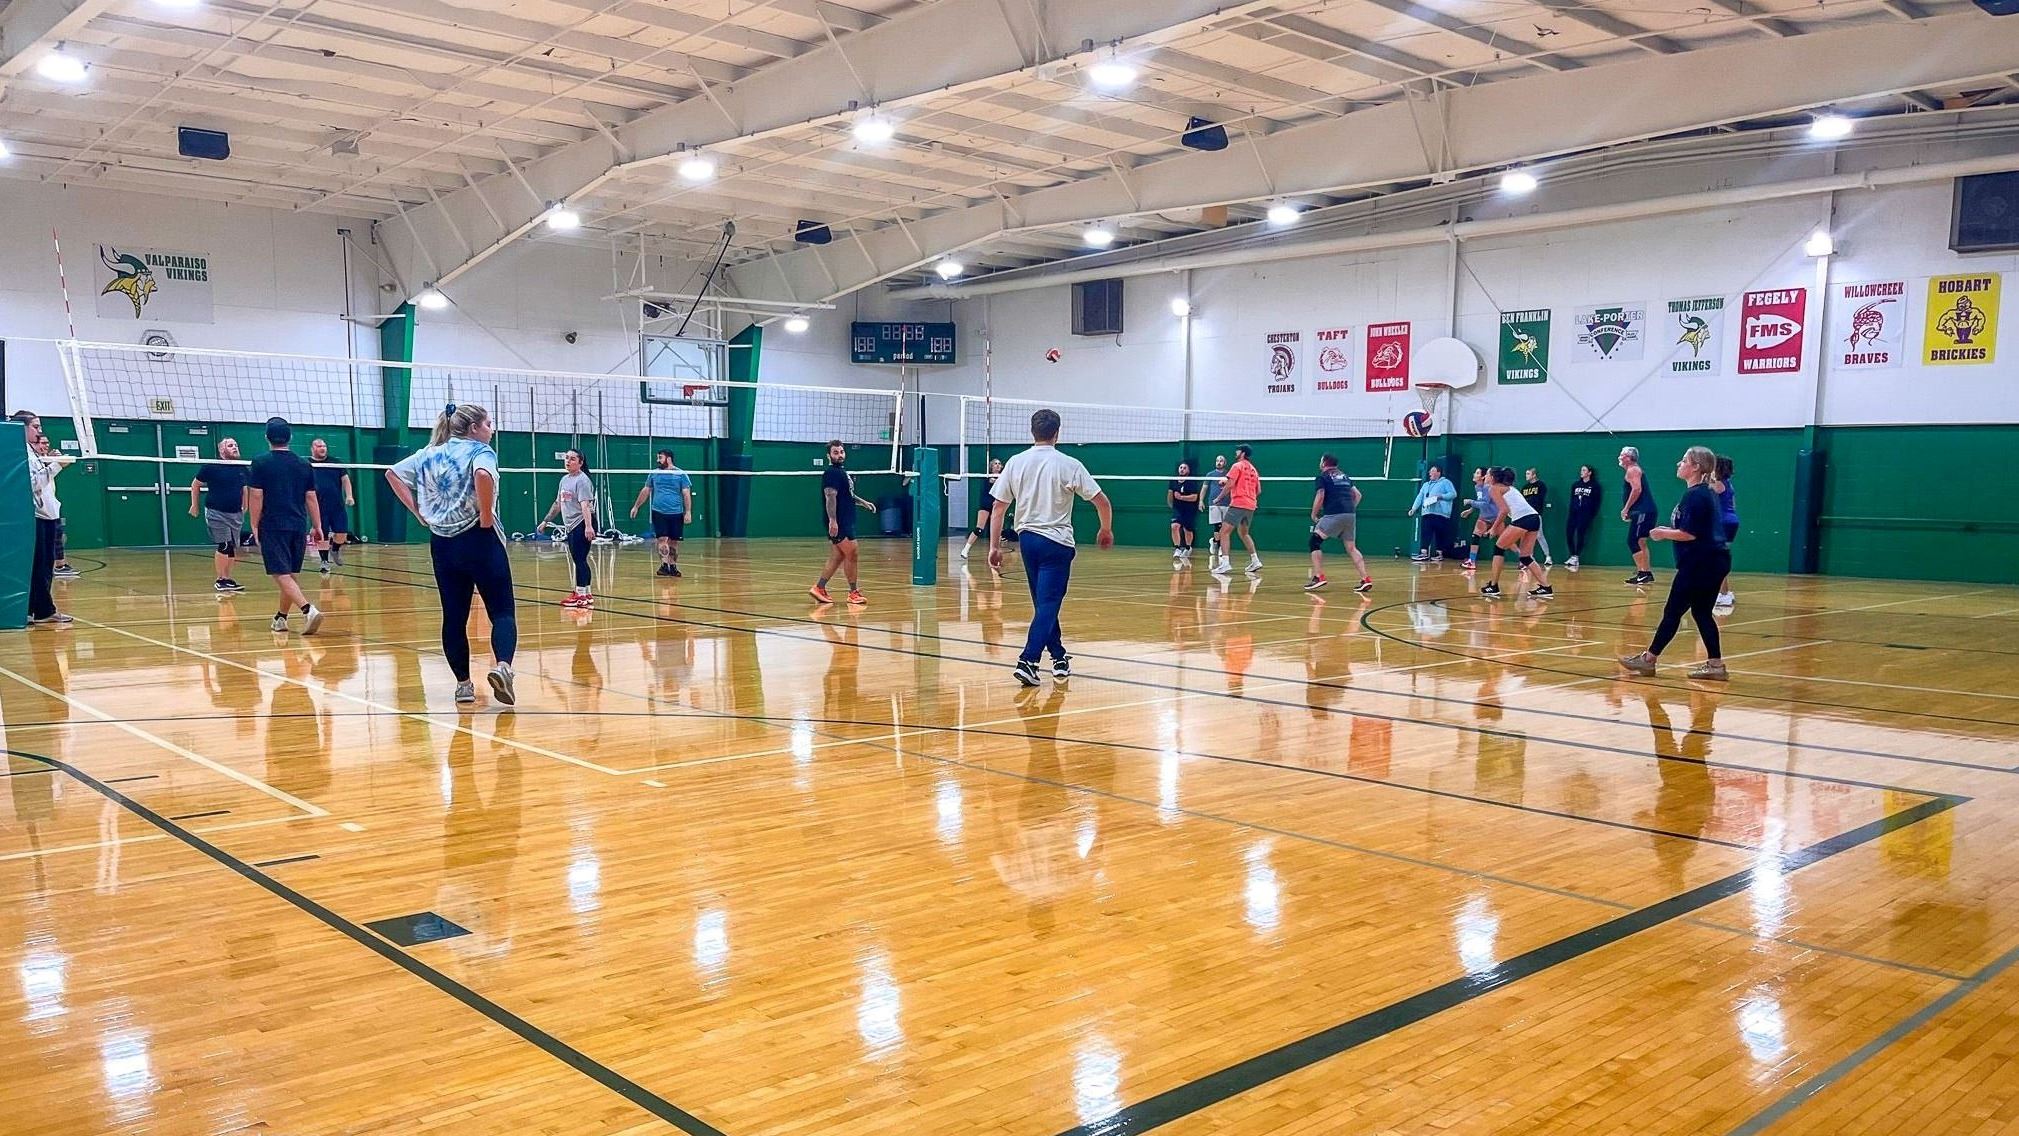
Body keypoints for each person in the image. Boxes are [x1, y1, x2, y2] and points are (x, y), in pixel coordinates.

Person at [386, 403, 517, 706]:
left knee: (454, 617)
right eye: (488, 423)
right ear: (474, 428)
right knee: (502, 612)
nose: (491, 429)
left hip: (443, 544)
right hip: (480, 539)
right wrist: (485, 516)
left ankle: (464, 686)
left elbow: (392, 474)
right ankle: (502, 667)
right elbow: (483, 475)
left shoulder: (430, 452)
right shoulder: (479, 452)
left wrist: (418, 513)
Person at [987, 409, 1114, 686]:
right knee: (1048, 604)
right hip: (1056, 544)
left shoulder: (1016, 462)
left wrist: (994, 546)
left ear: (1032, 431)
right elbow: (1102, 501)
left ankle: (1058, 657)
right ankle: (1028, 660)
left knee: (1044, 604)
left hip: (1028, 542)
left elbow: (998, 507)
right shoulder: (1068, 464)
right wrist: (1105, 529)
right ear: (1057, 432)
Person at [1619, 446, 1730, 680]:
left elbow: (1690, 534)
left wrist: (1663, 533)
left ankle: (1648, 660)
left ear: (1696, 467)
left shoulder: (1696, 494)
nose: (1679, 464)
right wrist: (1671, 530)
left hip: (1700, 562)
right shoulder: (1703, 493)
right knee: (1701, 613)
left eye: (1683, 461)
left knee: (1673, 611)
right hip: (1713, 560)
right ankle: (1716, 665)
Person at [245, 417, 324, 635]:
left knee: (280, 573)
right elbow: (311, 497)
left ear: (266, 437)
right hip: (298, 523)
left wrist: (253, 524)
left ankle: (308, 609)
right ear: (290, 437)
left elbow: (256, 495)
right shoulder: (303, 463)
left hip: (273, 524)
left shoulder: (260, 462)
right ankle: (281, 617)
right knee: (289, 574)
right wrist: (317, 525)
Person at [13, 412, 71, 627]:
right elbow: (33, 484)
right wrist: (57, 466)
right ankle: (42, 611)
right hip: (37, 517)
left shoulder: (33, 452)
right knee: (40, 567)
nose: (40, 432)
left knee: (44, 566)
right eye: (36, 427)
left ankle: (36, 610)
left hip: (48, 515)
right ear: (23, 428)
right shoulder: (23, 454)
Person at [811, 439, 875, 605]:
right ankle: (853, 592)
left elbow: (847, 496)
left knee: (838, 556)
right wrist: (833, 520)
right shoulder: (832, 473)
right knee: (852, 553)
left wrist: (863, 502)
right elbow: (830, 496)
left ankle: (819, 588)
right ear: (829, 455)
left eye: (841, 452)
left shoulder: (842, 472)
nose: (839, 455)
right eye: (835, 452)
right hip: (840, 522)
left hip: (845, 520)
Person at [1482, 467, 1552, 600]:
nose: (1485, 477)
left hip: (1523, 519)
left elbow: (1503, 510)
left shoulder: (1494, 488)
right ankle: (1545, 587)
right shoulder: (1509, 488)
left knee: (1499, 547)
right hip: (1534, 518)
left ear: (1492, 477)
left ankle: (1493, 585)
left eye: (1487, 474)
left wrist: (1493, 528)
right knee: (1525, 556)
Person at [1305, 454, 1371, 593]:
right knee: (1352, 548)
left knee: (1314, 542)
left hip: (1334, 514)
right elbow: (1358, 495)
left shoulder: (1322, 477)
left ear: (1324, 463)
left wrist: (1313, 513)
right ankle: (1365, 579)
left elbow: (1320, 495)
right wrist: (1350, 508)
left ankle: (1318, 576)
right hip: (1350, 514)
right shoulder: (1344, 477)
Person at [190, 437, 249, 593]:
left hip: (235, 513)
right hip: (216, 512)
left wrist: (246, 505)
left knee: (231, 547)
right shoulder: (212, 466)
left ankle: (227, 579)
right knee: (223, 544)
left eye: (236, 445)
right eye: (230, 446)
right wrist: (194, 505)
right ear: (222, 450)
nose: (235, 447)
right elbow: (195, 484)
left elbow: (245, 488)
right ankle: (220, 579)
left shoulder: (241, 467)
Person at [541, 449, 598, 608]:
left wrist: (588, 527)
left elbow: (585, 505)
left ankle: (580, 595)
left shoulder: (583, 480)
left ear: (580, 463)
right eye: (566, 458)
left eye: (572, 459)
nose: (568, 461)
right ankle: (586, 593)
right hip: (572, 524)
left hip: (582, 522)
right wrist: (546, 521)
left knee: (579, 559)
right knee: (580, 559)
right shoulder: (564, 480)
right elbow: (558, 503)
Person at [630, 448, 694, 577]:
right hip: (659, 511)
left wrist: (688, 512)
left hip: (676, 512)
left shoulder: (680, 474)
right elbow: (646, 490)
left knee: (674, 541)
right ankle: (664, 565)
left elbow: (686, 493)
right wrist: (636, 506)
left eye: (660, 457)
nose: (657, 460)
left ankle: (673, 566)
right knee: (662, 538)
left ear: (668, 458)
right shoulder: (654, 473)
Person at [1214, 444, 1263, 576]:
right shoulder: (1253, 469)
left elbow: (1230, 484)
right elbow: (1258, 490)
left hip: (1238, 504)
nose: (1235, 452)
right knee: (1244, 533)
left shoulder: (1237, 466)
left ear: (1242, 453)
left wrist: (1218, 498)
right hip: (1250, 505)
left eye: (1237, 450)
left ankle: (1225, 563)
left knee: (1224, 532)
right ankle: (1255, 560)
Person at [308, 439, 355, 574]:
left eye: (324, 446)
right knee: (321, 535)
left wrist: (349, 496)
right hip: (318, 507)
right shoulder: (308, 464)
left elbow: (345, 480)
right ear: (312, 448)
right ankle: (324, 561)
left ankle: (334, 550)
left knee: (341, 534)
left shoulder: (335, 462)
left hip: (336, 506)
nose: (322, 448)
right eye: (319, 446)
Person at [1619, 445, 1658, 586]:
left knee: (1633, 540)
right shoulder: (1632, 470)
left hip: (1644, 511)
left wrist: (1626, 508)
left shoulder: (1633, 470)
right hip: (1644, 511)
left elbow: (1636, 490)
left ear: (1629, 458)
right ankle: (1645, 573)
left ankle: (1643, 573)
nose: (1620, 457)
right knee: (1641, 541)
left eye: (1623, 454)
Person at [960, 458, 1007, 562]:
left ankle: (995, 554)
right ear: (991, 466)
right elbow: (994, 482)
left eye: (999, 464)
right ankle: (965, 550)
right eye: (995, 464)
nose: (998, 465)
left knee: (997, 531)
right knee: (979, 529)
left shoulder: (1003, 477)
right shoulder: (988, 477)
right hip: (985, 505)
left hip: (996, 506)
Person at [1407, 465, 1457, 562]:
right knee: (1426, 532)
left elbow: (1453, 494)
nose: (1430, 473)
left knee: (1440, 534)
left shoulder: (1445, 482)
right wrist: (1413, 508)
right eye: (1430, 471)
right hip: (1427, 512)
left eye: (1433, 471)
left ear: (1439, 473)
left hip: (1441, 514)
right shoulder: (1426, 485)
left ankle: (1439, 554)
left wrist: (1441, 496)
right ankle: (1423, 553)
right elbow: (1420, 496)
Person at [1457, 467, 1498, 571]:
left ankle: (1524, 559)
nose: (1474, 474)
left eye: (1477, 473)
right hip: (1484, 516)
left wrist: (1470, 502)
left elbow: (1484, 504)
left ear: (1483, 477)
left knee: (1508, 541)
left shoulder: (1487, 488)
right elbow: (1480, 501)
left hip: (1495, 516)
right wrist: (1470, 510)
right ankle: (1472, 561)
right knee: (1476, 535)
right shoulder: (1478, 487)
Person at [1712, 454, 1738, 608]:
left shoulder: (1718, 484)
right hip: (1730, 521)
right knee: (1719, 558)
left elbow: (1703, 488)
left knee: (1716, 560)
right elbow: (1733, 505)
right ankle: (1724, 592)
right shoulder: (1728, 484)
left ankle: (1724, 594)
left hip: (1722, 522)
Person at [1565, 464, 1601, 569]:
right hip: (1574, 513)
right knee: (1569, 533)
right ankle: (1572, 555)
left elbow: (1597, 501)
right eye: (1581, 470)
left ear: (1589, 472)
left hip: (1585, 514)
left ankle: (1576, 556)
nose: (1581, 472)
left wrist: (1591, 514)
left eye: (1584, 470)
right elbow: (1572, 498)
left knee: (1580, 534)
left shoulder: (1595, 485)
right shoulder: (1576, 484)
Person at [1168, 460, 1202, 567]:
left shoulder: (1192, 481)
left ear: (1188, 470)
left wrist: (1181, 497)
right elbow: (1170, 494)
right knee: (1174, 526)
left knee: (1187, 530)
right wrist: (1171, 505)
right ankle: (1177, 548)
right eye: (1181, 468)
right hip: (1177, 509)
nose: (1182, 469)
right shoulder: (1173, 481)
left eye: (1184, 468)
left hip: (1189, 509)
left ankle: (1188, 547)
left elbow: (1194, 497)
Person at [1520, 468, 1554, 567]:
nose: (1526, 475)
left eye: (1528, 473)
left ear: (1534, 475)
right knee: (1526, 536)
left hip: (1535, 514)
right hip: (1525, 515)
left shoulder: (1541, 485)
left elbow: (1539, 499)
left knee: (1539, 535)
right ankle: (1528, 558)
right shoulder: (1525, 487)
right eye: (1526, 473)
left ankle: (1548, 557)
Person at [1206, 453, 1229, 541]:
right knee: (1217, 525)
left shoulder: (1229, 474)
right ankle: (1219, 546)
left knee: (1224, 526)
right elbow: (1204, 488)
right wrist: (1200, 500)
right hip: (1214, 503)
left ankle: (1215, 542)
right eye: (1217, 461)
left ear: (1225, 463)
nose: (1219, 462)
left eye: (1221, 461)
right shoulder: (1210, 474)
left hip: (1226, 503)